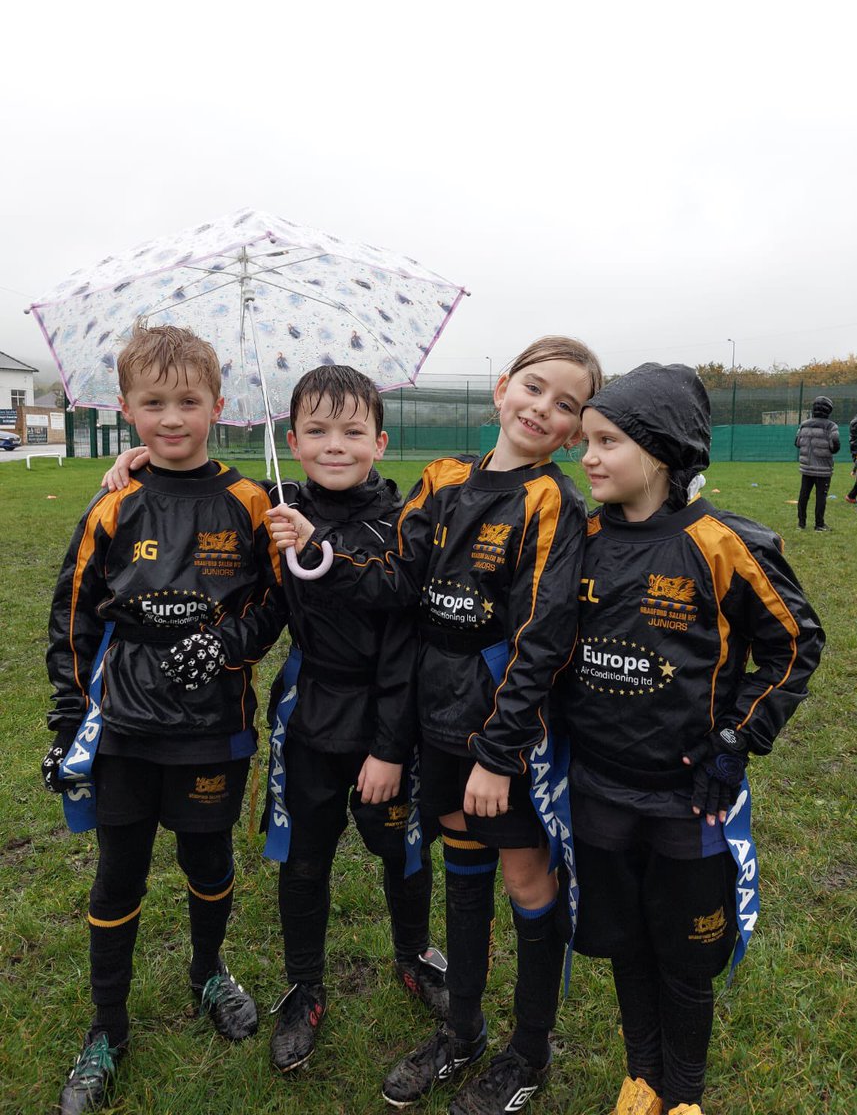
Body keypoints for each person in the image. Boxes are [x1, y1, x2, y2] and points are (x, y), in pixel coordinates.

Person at [269, 336, 602, 1115]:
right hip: (437, 728)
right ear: (501, 388)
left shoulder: (554, 502)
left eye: (566, 405)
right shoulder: (445, 479)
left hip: (499, 737)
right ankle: (464, 1033)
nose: (541, 409)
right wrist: (320, 553)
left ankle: (529, 1049)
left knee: (526, 878)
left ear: (575, 429)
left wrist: (499, 751)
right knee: (462, 866)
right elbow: (395, 578)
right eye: (532, 387)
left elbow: (542, 638)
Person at [103, 364, 449, 1075]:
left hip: (388, 718)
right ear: (291, 440)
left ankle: (414, 954)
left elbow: (408, 636)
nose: (335, 445)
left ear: (379, 441)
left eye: (352, 431)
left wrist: (390, 745)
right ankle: (304, 984)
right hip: (312, 715)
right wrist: (138, 460)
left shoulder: (407, 520)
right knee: (305, 855)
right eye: (317, 430)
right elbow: (218, 523)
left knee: (399, 848)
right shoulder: (273, 505)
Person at [555, 363, 825, 1115]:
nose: (589, 456)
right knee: (625, 941)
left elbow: (795, 643)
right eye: (585, 441)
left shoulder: (724, 544)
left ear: (663, 450)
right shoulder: (583, 537)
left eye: (607, 441)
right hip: (599, 788)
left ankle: (686, 1097)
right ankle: (642, 1076)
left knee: (683, 955)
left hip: (688, 797)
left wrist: (737, 739)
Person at [43, 321, 286, 1115]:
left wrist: (224, 646)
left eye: (188, 401)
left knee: (208, 862)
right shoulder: (116, 501)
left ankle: (208, 972)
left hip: (214, 730)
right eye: (154, 404)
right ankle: (106, 1028)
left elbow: (274, 605)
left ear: (220, 404)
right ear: (127, 408)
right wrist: (67, 720)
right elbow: (73, 613)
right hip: (124, 732)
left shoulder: (251, 500)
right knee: (120, 872)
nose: (172, 418)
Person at [794, 395, 840, 531]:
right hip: (823, 468)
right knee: (821, 497)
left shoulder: (804, 424)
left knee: (804, 495)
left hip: (806, 467)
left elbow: (797, 442)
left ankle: (801, 524)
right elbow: (835, 445)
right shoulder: (831, 426)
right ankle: (819, 525)